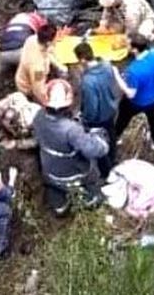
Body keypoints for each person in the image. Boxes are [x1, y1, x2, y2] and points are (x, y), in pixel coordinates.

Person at [31, 80, 110, 216]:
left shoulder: (38, 117)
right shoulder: (71, 130)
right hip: (73, 173)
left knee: (55, 188)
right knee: (91, 179)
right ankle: (90, 201)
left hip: (50, 170)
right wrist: (100, 140)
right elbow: (94, 150)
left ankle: (59, 208)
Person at [112, 34, 154, 151]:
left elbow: (130, 94)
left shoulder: (134, 70)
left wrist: (117, 76)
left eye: (127, 44)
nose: (125, 45)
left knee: (122, 118)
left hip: (136, 102)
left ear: (135, 49)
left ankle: (116, 137)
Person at [76, 42, 118, 178]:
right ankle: (114, 158)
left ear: (82, 59)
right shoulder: (107, 66)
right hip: (111, 109)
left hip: (98, 119)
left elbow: (91, 107)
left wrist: (85, 118)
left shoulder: (88, 81)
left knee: (99, 146)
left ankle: (106, 173)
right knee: (111, 136)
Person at [0, 10, 48, 93]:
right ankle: (29, 91)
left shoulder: (17, 18)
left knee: (0, 69)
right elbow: (41, 39)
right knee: (29, 69)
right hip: (20, 50)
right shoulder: (38, 21)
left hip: (3, 50)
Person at [15, 22, 68, 105]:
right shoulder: (38, 68)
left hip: (23, 75)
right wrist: (48, 103)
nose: (58, 39)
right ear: (48, 43)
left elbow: (48, 52)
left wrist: (59, 66)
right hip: (28, 89)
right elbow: (38, 90)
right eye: (56, 38)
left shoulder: (32, 39)